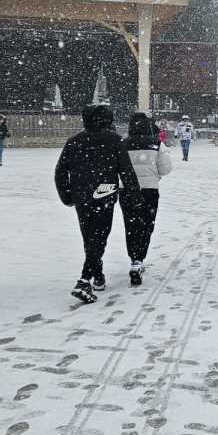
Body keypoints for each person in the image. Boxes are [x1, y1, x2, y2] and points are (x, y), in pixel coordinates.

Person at [55, 105, 139, 304]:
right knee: (99, 236)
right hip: (105, 191)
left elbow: (60, 171)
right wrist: (134, 195)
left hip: (81, 194)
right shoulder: (114, 141)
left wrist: (67, 195)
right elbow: (126, 170)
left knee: (89, 236)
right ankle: (85, 279)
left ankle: (98, 275)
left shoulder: (74, 142)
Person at [120, 113, 172, 285]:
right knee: (146, 223)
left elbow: (116, 168)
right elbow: (165, 169)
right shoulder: (157, 144)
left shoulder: (123, 144)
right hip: (149, 190)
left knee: (131, 223)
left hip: (127, 190)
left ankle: (134, 257)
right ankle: (140, 256)